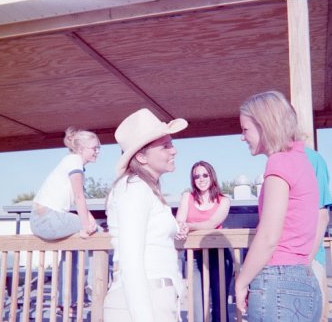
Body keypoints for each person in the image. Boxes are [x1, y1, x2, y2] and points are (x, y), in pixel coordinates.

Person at [235, 90, 322, 321]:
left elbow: (268, 237)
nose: (242, 137)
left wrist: (241, 282)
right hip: (304, 278)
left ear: (265, 125)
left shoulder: (278, 163)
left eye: (245, 129)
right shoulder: (301, 160)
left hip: (277, 281)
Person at [103, 108, 188, 322]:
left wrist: (177, 228)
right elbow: (131, 262)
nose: (174, 151)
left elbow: (152, 235)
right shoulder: (133, 188)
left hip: (155, 301)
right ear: (141, 156)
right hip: (142, 305)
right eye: (165, 146)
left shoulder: (144, 189)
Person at [29, 126, 100, 314]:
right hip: (47, 218)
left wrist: (89, 224)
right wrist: (88, 227)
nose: (98, 151)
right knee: (98, 234)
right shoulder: (74, 161)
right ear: (81, 149)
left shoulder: (72, 163)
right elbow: (79, 199)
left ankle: (66, 301)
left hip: (44, 218)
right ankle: (95, 288)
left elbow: (82, 203)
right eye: (94, 148)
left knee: (74, 249)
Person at [175, 160, 233, 322]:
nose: (201, 179)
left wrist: (188, 226)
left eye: (205, 175)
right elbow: (179, 222)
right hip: (194, 257)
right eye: (196, 176)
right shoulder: (187, 197)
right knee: (196, 308)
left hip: (220, 257)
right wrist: (180, 228)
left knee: (219, 307)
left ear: (212, 176)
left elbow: (211, 223)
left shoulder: (224, 200)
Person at [306, 148, 332, 322]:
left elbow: (322, 215)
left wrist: (307, 260)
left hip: (310, 259)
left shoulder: (312, 159)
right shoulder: (275, 162)